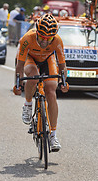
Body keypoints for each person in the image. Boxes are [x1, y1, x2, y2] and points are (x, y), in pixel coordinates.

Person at [13, 13, 68, 151]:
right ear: (37, 32)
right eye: (41, 37)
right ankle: (28, 105)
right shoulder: (27, 39)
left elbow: (62, 65)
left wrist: (64, 82)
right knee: (34, 76)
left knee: (51, 91)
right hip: (30, 58)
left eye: (48, 38)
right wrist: (18, 83)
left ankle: (53, 135)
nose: (44, 42)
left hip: (48, 59)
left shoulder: (57, 41)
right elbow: (19, 65)